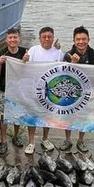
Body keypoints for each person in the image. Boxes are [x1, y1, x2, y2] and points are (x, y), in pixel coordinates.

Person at [24, 26, 64, 155]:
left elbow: (62, 71)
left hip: (51, 90)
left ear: (53, 38)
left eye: (49, 37)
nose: (47, 39)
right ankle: (31, 141)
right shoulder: (33, 50)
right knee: (32, 116)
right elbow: (25, 68)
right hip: (34, 89)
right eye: (44, 37)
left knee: (48, 116)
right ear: (39, 38)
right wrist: (23, 61)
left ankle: (45, 139)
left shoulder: (58, 53)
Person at [62, 25, 94, 152]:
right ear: (74, 40)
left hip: (88, 91)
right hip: (71, 91)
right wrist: (73, 64)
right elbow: (64, 76)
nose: (81, 42)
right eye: (78, 39)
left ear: (88, 39)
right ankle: (67, 139)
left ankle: (81, 140)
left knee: (84, 116)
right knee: (68, 116)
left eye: (84, 39)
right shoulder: (68, 55)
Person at [0, 26, 27, 155]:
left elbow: (31, 72)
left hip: (19, 90)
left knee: (17, 115)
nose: (13, 40)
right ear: (7, 39)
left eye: (15, 37)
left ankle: (16, 136)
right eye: (10, 37)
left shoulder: (25, 52)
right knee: (3, 116)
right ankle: (3, 141)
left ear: (19, 39)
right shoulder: (1, 53)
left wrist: (26, 62)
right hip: (4, 89)